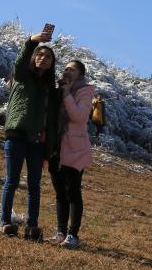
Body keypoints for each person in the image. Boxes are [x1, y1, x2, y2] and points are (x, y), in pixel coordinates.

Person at [0, 26, 56, 241]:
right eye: (40, 55)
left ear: (52, 64)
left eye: (48, 57)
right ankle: (5, 222)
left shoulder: (47, 86)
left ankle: (32, 226)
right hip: (16, 134)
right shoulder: (22, 75)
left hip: (36, 140)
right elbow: (21, 60)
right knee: (11, 181)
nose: (43, 58)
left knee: (34, 185)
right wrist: (32, 41)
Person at [46, 59, 94, 249]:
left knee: (72, 191)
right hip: (56, 147)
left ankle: (73, 235)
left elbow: (79, 117)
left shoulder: (85, 92)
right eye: (65, 68)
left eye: (72, 69)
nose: (67, 71)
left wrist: (66, 94)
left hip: (75, 148)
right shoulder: (59, 88)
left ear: (80, 74)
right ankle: (60, 232)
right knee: (59, 193)